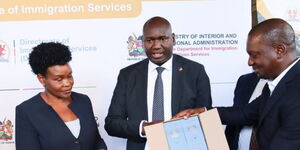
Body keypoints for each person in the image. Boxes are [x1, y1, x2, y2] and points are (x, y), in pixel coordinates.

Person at [173, 18, 300, 150]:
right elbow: (245, 113)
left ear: (279, 50)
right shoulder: (277, 84)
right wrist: (202, 112)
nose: (250, 62)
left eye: (255, 55)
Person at [105, 16, 212, 150]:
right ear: (142, 42)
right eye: (149, 40)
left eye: (163, 39)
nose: (156, 46)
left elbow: (206, 118)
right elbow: (112, 123)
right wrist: (144, 128)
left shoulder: (195, 71)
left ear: (173, 39)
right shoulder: (128, 76)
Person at [15, 42, 107, 150]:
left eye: (69, 76)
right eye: (59, 79)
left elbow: (96, 141)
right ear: (42, 79)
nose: (67, 83)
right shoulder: (27, 111)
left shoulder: (83, 101)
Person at [225, 72, 266, 150]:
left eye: (255, 58)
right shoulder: (245, 80)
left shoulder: (293, 84)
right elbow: (236, 116)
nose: (250, 62)